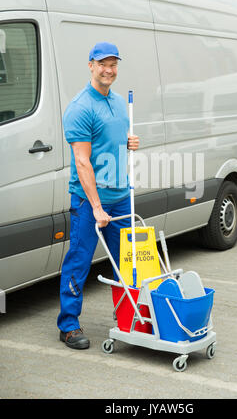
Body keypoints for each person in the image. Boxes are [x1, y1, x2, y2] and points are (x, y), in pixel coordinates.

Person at [57, 42, 139, 350]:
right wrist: (96, 207)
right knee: (79, 261)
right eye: (103, 64)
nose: (109, 70)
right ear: (90, 65)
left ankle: (128, 317)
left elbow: (111, 142)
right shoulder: (80, 107)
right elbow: (82, 162)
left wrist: (129, 143)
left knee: (128, 263)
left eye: (113, 64)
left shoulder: (118, 103)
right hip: (88, 201)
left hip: (120, 195)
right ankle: (68, 325)